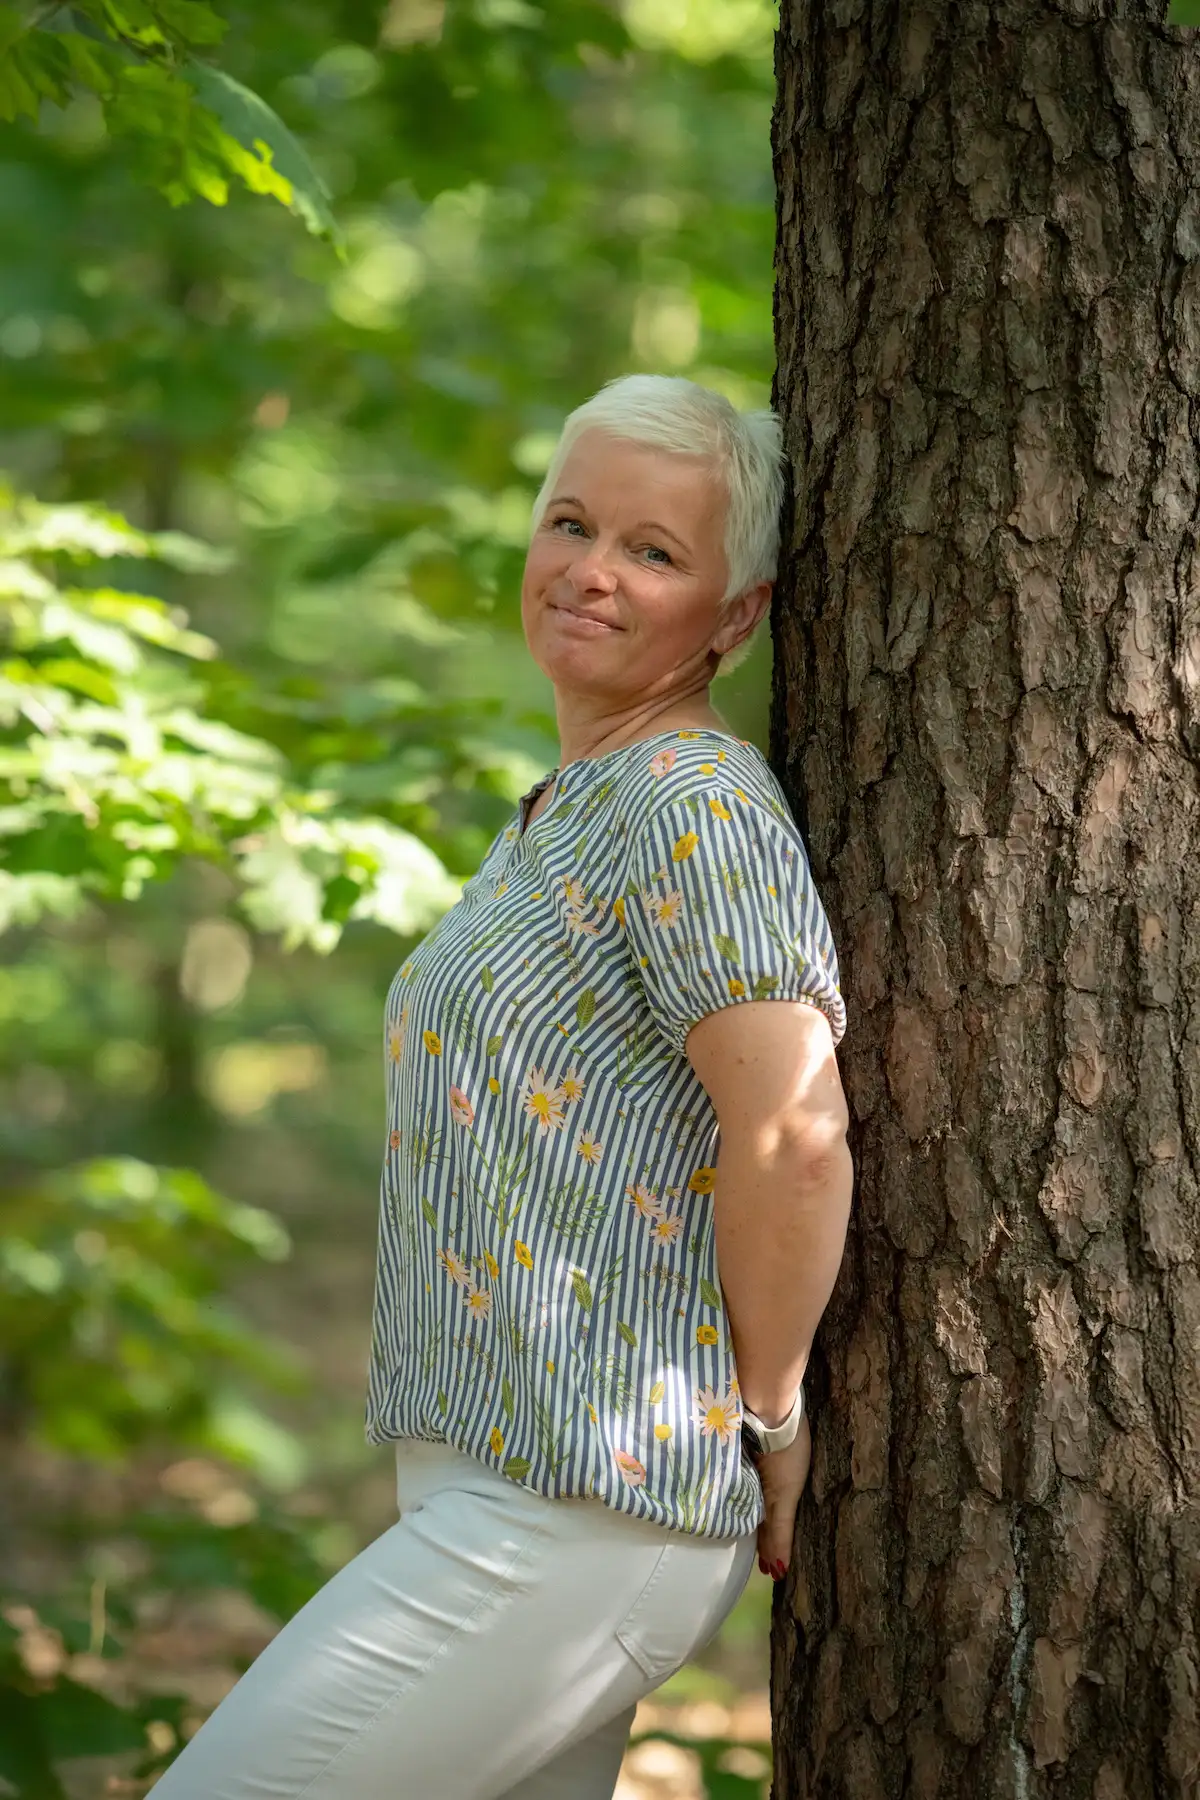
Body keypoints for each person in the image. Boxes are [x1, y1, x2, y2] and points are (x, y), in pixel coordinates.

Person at [151, 374, 853, 1799]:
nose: (593, 571)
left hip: (582, 1517)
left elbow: (791, 1132)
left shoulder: (693, 809)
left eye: (654, 551)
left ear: (737, 613)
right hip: (504, 1488)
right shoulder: (566, 809)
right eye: (571, 523)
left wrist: (774, 1413)